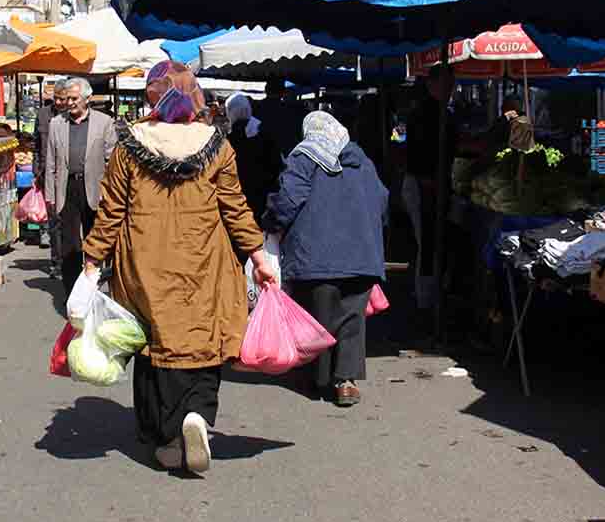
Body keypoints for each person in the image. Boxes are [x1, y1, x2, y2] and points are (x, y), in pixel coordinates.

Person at [82, 61, 278, 473]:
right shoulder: (217, 145)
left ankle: (168, 436)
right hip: (205, 261)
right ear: (195, 96)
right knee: (203, 339)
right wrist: (259, 256)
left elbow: (111, 211)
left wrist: (91, 260)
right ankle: (197, 415)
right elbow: (235, 208)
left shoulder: (129, 146)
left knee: (156, 345)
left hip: (145, 262)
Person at [264, 112, 388, 407]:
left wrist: (269, 222)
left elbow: (288, 200)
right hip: (361, 255)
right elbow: (382, 199)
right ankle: (346, 381)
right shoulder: (363, 162)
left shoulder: (305, 157)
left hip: (315, 255)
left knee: (318, 316)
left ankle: (318, 379)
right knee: (351, 318)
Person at [44, 78, 117, 294]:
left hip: (95, 189)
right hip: (66, 188)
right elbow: (51, 161)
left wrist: (111, 192)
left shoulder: (104, 122)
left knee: (96, 241)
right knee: (70, 245)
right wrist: (50, 194)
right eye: (67, 99)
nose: (70, 103)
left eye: (74, 99)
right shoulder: (57, 123)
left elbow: (112, 160)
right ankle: (72, 293)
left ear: (87, 99)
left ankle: (95, 288)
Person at [401, 72, 456, 315]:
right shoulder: (427, 113)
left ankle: (428, 294)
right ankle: (425, 300)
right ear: (433, 84)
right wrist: (429, 182)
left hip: (430, 184)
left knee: (429, 242)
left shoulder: (438, 111)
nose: (451, 88)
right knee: (427, 243)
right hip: (423, 186)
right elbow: (420, 153)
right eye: (447, 83)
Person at [224, 93, 275, 225]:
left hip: (235, 200)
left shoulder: (227, 140)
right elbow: (275, 167)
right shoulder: (264, 133)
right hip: (261, 199)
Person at [32, 91, 61, 279]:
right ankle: (57, 263)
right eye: (57, 97)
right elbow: (36, 144)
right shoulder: (43, 114)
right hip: (46, 175)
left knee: (69, 221)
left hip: (67, 173)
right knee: (54, 221)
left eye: (62, 97)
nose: (59, 101)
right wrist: (36, 170)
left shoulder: (70, 115)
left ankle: (74, 258)